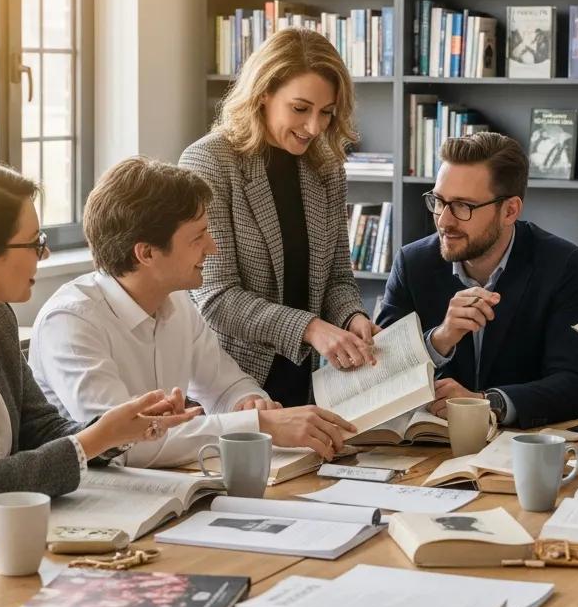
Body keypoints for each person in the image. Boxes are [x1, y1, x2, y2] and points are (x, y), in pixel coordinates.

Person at [0, 161, 199, 541]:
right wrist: (93, 440)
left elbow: (40, 429)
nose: (43, 255)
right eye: (33, 243)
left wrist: (120, 428)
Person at [29, 157, 355, 466]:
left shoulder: (178, 303)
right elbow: (125, 445)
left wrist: (250, 402)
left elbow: (226, 385)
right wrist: (261, 423)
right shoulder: (71, 322)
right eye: (198, 236)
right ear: (146, 253)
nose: (212, 247)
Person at [180, 28, 377, 407]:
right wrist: (310, 328)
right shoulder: (210, 161)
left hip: (310, 380)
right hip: (233, 382)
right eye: (300, 109)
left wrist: (353, 318)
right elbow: (216, 297)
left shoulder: (327, 166)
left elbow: (336, 276)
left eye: (326, 113)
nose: (314, 127)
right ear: (263, 94)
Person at [377, 132, 578, 428]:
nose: (444, 220)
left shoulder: (562, 264)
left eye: (462, 206)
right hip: (428, 448)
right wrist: (441, 338)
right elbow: (378, 377)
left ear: (509, 210)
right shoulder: (413, 263)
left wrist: (484, 402)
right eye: (439, 201)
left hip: (519, 449)